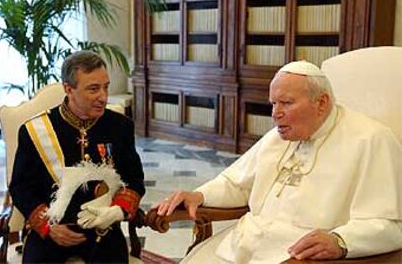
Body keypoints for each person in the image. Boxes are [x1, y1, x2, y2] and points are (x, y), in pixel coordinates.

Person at [155, 61, 402, 263]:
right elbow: (237, 183)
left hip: (302, 255)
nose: (275, 114)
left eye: (286, 103)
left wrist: (340, 240)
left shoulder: (370, 140)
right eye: (273, 103)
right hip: (245, 243)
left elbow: (387, 224)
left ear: (322, 102)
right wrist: (200, 196)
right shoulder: (279, 136)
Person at [9, 50, 145, 263]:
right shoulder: (34, 130)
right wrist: (48, 227)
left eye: (105, 87)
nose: (103, 96)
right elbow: (20, 187)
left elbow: (134, 179)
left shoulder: (120, 126)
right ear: (68, 89)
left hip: (103, 228)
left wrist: (117, 211)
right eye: (93, 89)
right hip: (53, 228)